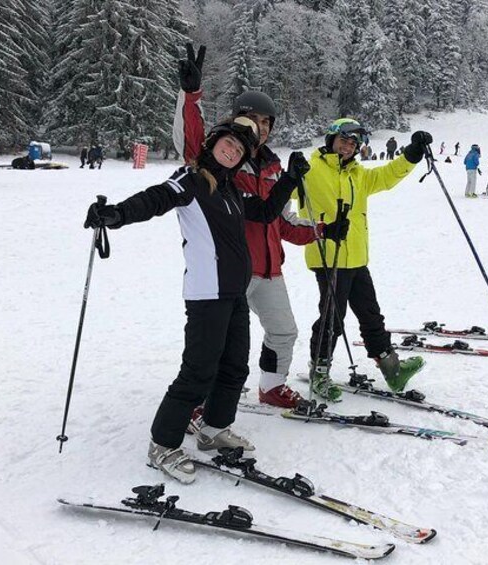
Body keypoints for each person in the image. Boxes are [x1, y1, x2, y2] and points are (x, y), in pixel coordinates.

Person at [83, 117, 311, 483]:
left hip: (235, 293)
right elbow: (156, 199)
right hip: (207, 295)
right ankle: (162, 444)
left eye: (239, 150)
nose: (232, 151)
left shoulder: (232, 190)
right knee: (198, 372)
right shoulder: (190, 180)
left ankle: (214, 429)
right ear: (213, 143)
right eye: (228, 144)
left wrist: (289, 180)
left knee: (235, 367)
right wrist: (117, 215)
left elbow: (267, 213)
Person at [175, 44, 330, 408]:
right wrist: (189, 95)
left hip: (269, 270)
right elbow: (190, 141)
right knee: (217, 342)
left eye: (267, 122)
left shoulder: (272, 166)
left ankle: (272, 387)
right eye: (254, 119)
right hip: (229, 271)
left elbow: (283, 221)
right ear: (238, 120)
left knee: (283, 331)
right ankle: (198, 401)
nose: (261, 128)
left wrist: (322, 230)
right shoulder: (221, 157)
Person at [299, 118, 431, 400]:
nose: (347, 147)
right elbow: (284, 190)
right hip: (328, 257)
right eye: (343, 140)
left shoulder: (357, 174)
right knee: (332, 318)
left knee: (371, 314)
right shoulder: (310, 169)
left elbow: (387, 175)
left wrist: (412, 154)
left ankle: (392, 369)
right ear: (331, 140)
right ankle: (319, 372)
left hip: (357, 258)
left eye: (353, 143)